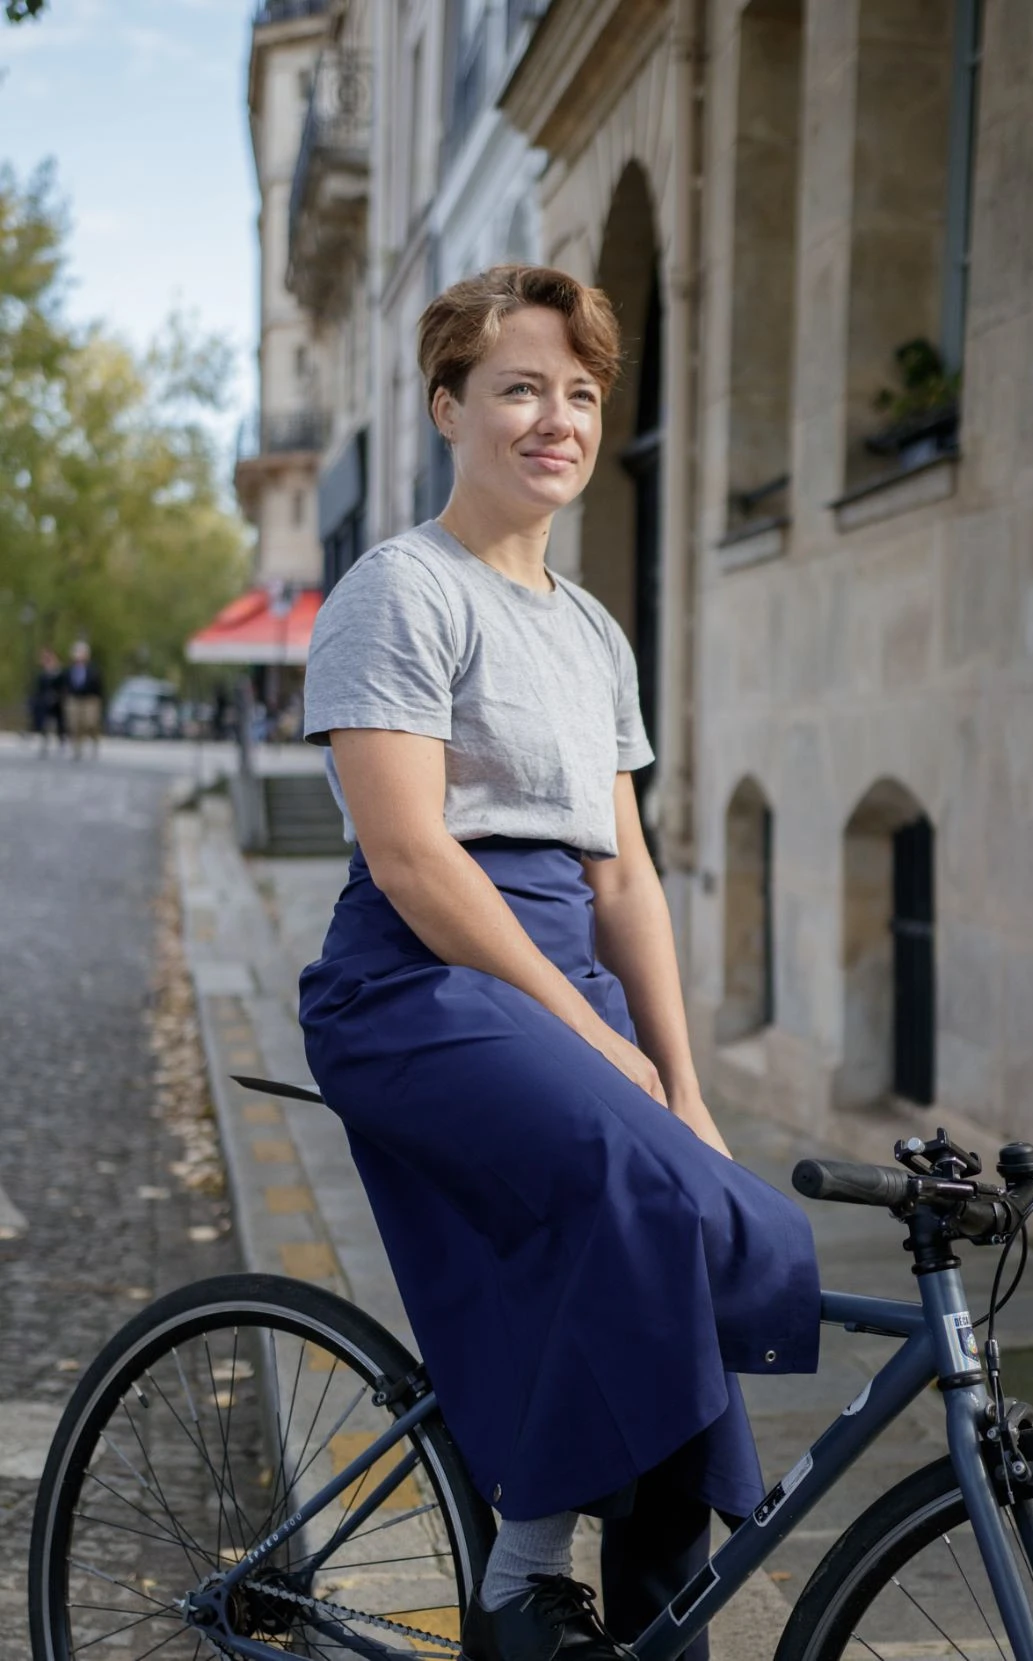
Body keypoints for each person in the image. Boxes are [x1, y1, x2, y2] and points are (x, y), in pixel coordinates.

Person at [298, 266, 821, 1661]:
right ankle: (523, 1571)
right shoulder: (397, 588)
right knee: (627, 1178)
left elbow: (625, 877)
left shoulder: (593, 632)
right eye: (522, 387)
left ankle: (658, 1616)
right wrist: (596, 1050)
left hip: (552, 983)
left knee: (718, 1219)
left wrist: (691, 1089)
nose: (558, 419)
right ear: (448, 407)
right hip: (415, 982)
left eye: (581, 394)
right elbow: (412, 857)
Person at [63, 640, 103, 760]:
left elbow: (99, 687)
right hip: (74, 699)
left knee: (89, 723)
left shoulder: (93, 670)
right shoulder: (69, 670)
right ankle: (77, 748)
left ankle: (94, 739)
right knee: (74, 724)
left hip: (90, 699)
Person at [29, 647, 65, 757]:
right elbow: (38, 689)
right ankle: (44, 742)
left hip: (57, 701)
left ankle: (61, 741)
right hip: (44, 702)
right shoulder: (42, 674)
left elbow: (63, 686)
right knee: (44, 723)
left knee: (58, 722)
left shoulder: (58, 672)